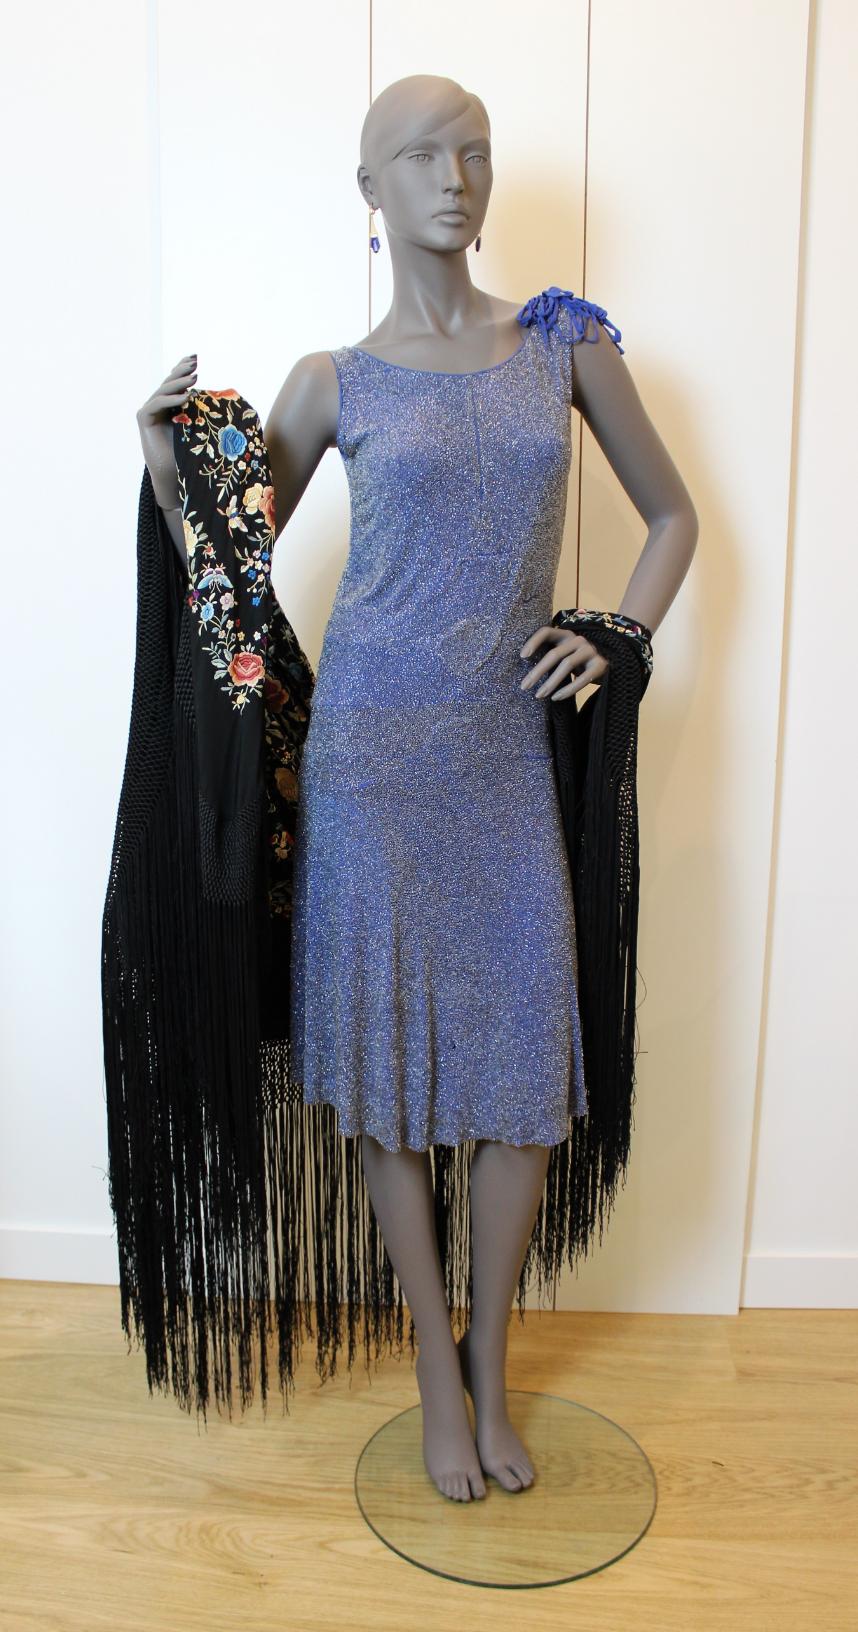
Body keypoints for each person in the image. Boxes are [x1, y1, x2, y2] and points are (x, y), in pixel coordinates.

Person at [135, 74, 698, 1504]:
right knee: (388, 1081)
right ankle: (435, 1380)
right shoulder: (334, 380)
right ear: (368, 191)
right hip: (372, 766)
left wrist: (618, 631)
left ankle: (490, 1357)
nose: (456, 177)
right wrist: (165, 462)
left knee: (524, 1075)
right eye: (421, 155)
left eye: (476, 153)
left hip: (501, 757)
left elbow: (673, 515)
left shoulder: (562, 346)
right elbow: (231, 566)